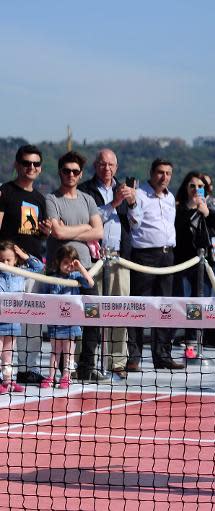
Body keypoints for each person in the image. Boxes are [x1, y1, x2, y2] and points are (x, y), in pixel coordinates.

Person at [78, 148, 141, 379]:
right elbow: (87, 221)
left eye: (111, 165)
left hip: (119, 258)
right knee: (90, 311)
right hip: (92, 259)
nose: (107, 169)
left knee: (119, 310)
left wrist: (132, 203)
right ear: (96, 166)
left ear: (117, 167)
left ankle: (117, 361)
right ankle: (85, 361)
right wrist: (113, 204)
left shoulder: (125, 190)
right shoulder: (85, 190)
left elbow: (136, 225)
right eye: (103, 164)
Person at [45, 151, 105, 383]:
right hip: (59, 272)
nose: (70, 174)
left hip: (85, 270)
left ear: (80, 175)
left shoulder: (88, 200)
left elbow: (98, 231)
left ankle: (86, 367)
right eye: (66, 170)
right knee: (59, 322)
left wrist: (72, 229)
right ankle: (62, 372)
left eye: (75, 171)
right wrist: (83, 227)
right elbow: (57, 233)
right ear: (60, 172)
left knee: (92, 318)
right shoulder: (52, 199)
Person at [0, 145, 52, 386]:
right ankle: (4, 370)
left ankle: (27, 368)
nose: (31, 167)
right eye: (26, 163)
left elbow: (35, 235)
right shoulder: (5, 192)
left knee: (33, 318)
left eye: (36, 164)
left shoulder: (39, 198)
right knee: (4, 322)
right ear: (17, 165)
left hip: (31, 267)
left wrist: (45, 233)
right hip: (7, 269)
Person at [127, 158, 184, 371]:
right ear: (151, 172)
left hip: (167, 255)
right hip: (144, 256)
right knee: (139, 306)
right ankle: (134, 356)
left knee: (165, 307)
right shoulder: (139, 194)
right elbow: (135, 222)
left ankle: (162, 355)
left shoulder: (170, 198)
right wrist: (132, 203)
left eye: (168, 173)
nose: (164, 177)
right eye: (160, 172)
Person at [173, 171, 215, 343]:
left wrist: (206, 212)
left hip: (205, 263)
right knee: (182, 302)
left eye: (200, 187)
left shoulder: (209, 208)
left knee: (202, 303)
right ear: (186, 187)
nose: (196, 189)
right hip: (183, 263)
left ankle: (194, 339)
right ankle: (180, 337)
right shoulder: (177, 208)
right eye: (192, 186)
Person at [40, 246, 95, 390]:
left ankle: (66, 377)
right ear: (58, 261)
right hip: (55, 322)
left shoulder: (76, 277)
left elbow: (90, 283)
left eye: (72, 263)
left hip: (71, 323)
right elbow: (44, 297)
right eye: (66, 262)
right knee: (55, 351)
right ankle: (51, 377)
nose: (69, 266)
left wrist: (79, 267)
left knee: (69, 352)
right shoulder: (51, 279)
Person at [0, 240, 44, 393]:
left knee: (8, 353)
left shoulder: (19, 274)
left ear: (15, 260)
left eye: (8, 260)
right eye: (2, 260)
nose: (5, 263)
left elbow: (39, 268)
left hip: (13, 322)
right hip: (0, 321)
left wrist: (24, 256)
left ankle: (7, 381)